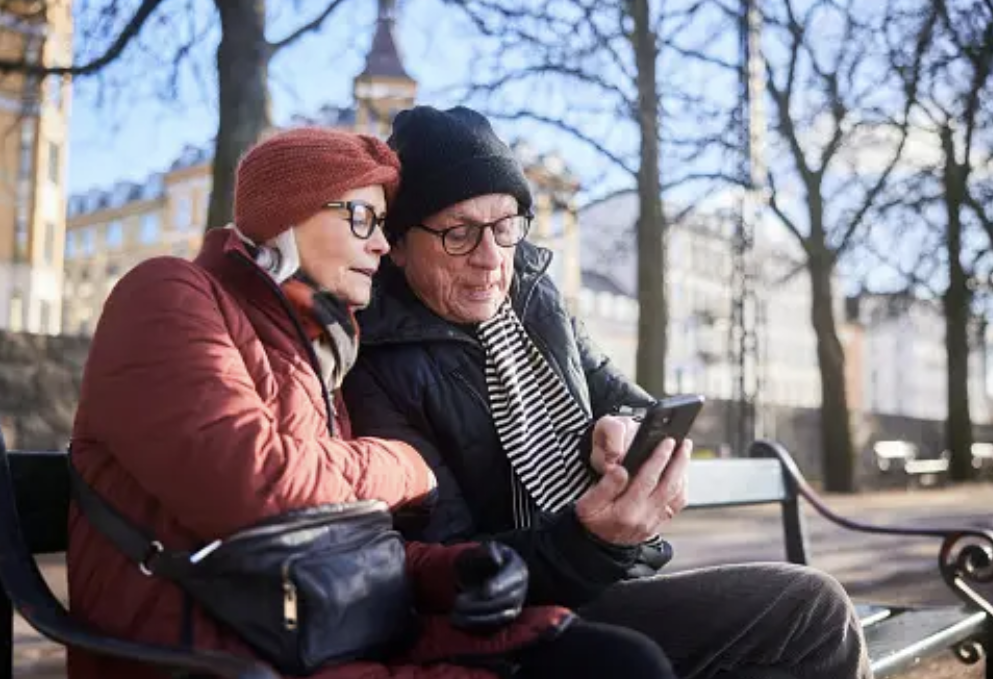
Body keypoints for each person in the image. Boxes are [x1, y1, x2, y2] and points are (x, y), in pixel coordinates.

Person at [66, 127, 677, 679]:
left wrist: (462, 566)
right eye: (363, 218)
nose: (382, 245)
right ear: (287, 216)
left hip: (320, 633)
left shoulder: (319, 357)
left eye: (382, 223)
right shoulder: (168, 291)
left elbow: (348, 538)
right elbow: (251, 485)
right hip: (216, 654)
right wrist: (400, 467)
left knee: (616, 661)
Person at [343, 105, 873, 679]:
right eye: (458, 233)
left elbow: (626, 399)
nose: (491, 257)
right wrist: (590, 540)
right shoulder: (373, 362)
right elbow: (453, 572)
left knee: (803, 624)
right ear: (397, 244)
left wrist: (620, 433)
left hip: (608, 573)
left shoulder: (536, 303)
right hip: (511, 623)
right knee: (813, 611)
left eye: (504, 228)